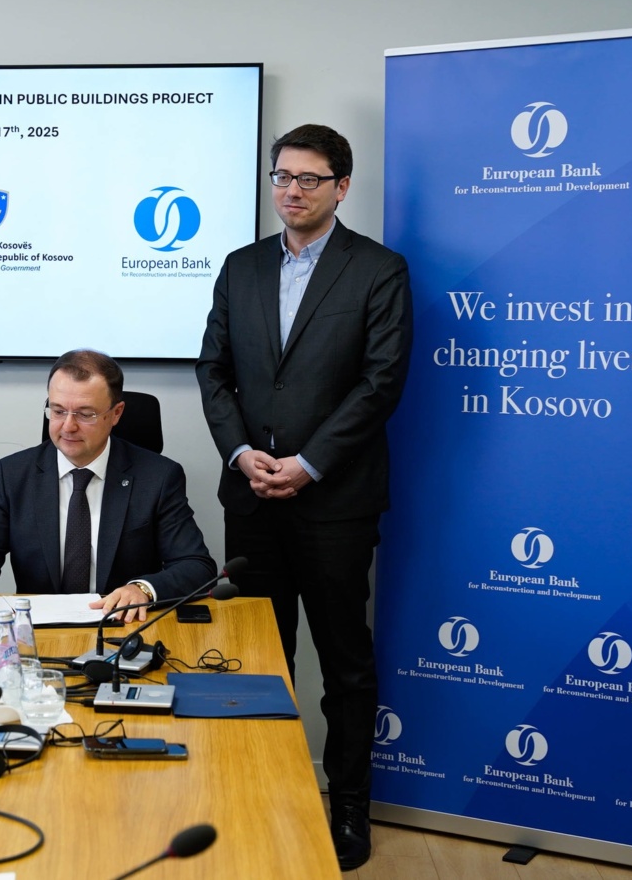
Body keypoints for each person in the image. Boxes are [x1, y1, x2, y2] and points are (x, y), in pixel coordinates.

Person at [195, 124, 413, 870]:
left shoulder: (378, 270)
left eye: (309, 179)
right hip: (252, 495)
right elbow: (213, 370)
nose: (291, 190)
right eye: (282, 176)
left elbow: (380, 382)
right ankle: (260, 794)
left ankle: (348, 807)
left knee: (344, 664)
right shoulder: (241, 265)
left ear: (341, 187)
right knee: (259, 657)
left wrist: (310, 463)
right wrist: (241, 452)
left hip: (334, 501)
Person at [0, 350, 217, 623]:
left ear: (116, 413)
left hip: (123, 626)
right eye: (58, 411)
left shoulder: (158, 477)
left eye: (85, 414)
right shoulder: (12, 475)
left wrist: (143, 589)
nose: (68, 426)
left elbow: (196, 566)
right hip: (37, 631)